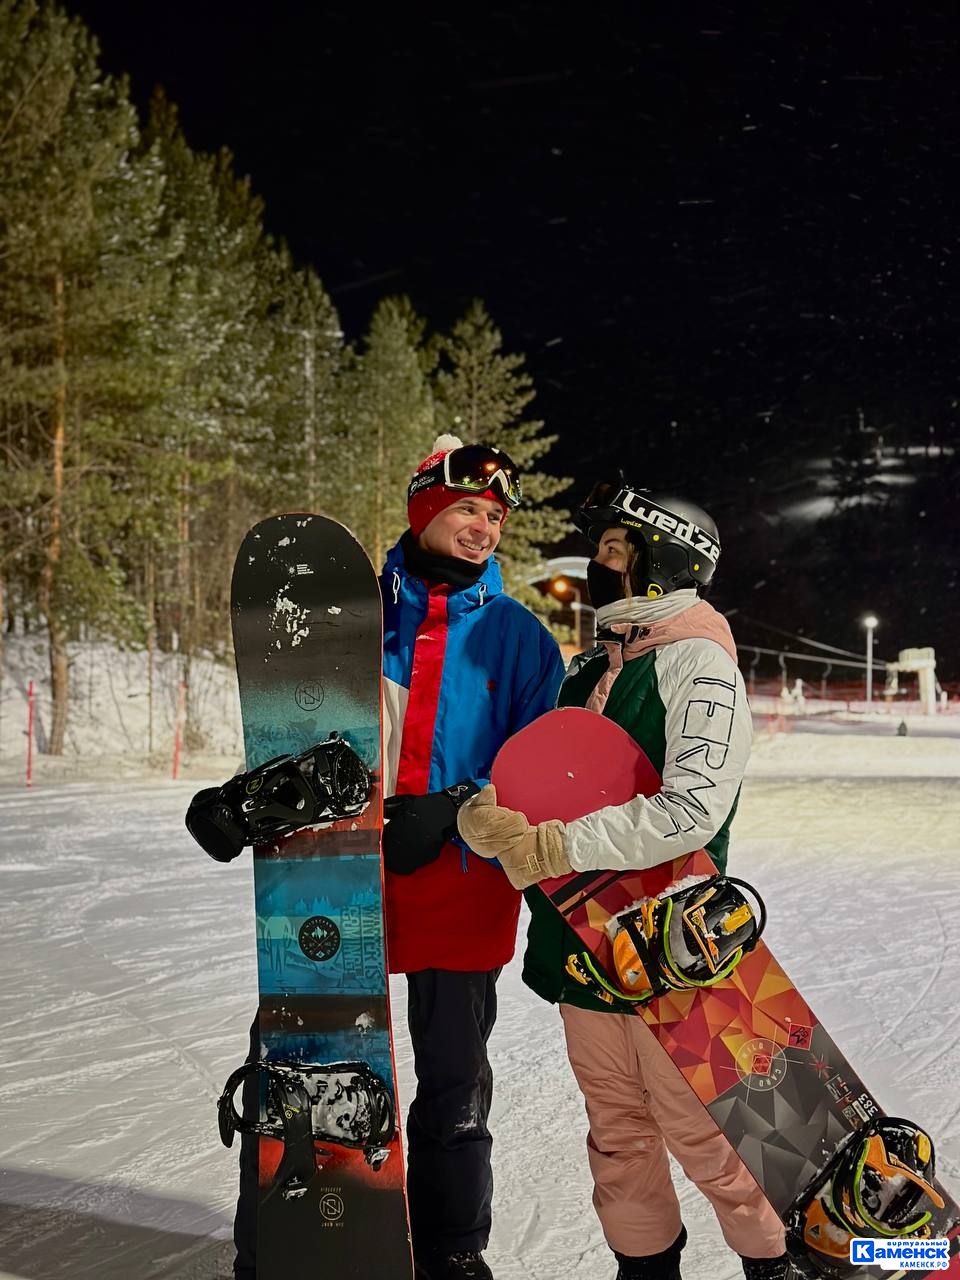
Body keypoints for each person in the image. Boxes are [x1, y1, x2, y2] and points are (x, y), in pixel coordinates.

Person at [196, 435, 565, 1280]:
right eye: (468, 509)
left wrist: (455, 809)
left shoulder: (520, 639)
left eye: (496, 518)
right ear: (424, 507)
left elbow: (541, 771)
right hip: (340, 878)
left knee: (454, 1085)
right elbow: (302, 739)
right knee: (300, 1057)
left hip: (462, 884)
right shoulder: (347, 619)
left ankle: (452, 1252)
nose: (484, 529)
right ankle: (283, 1243)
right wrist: (242, 803)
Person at [458, 482, 794, 1280]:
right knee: (617, 1135)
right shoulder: (587, 672)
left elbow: (692, 808)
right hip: (582, 945)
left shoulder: (699, 666)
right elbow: (545, 783)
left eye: (616, 549)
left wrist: (556, 845)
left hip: (671, 945)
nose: (600, 565)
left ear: (665, 561)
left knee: (709, 1135)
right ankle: (645, 1269)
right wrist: (488, 816)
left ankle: (772, 1264)